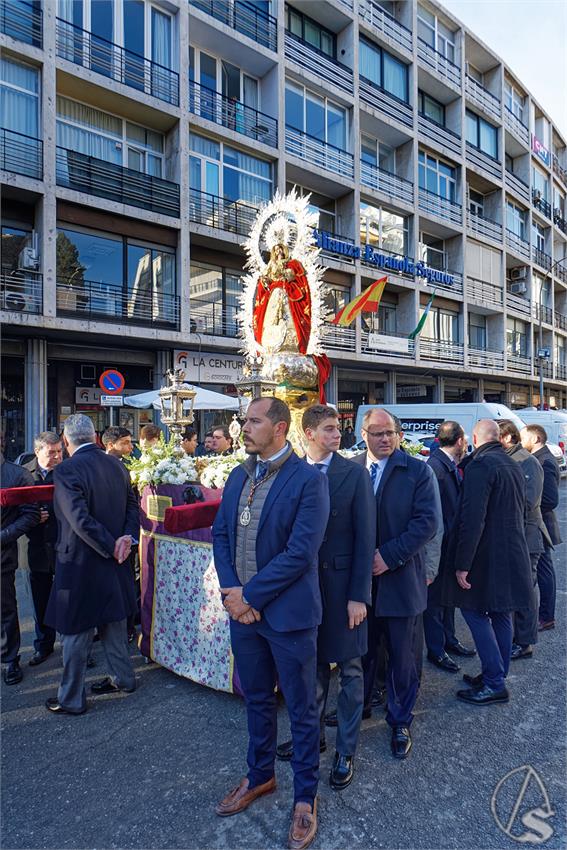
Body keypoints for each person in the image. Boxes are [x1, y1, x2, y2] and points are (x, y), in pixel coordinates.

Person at [212, 397, 329, 850]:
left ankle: (305, 797)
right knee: (257, 699)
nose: (244, 427)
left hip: (288, 617)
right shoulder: (239, 475)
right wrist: (233, 592)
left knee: (300, 709)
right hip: (243, 614)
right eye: (245, 420)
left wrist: (251, 596)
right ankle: (260, 775)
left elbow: (300, 553)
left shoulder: (308, 480)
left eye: (254, 421)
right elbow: (222, 534)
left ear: (279, 428)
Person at [276, 405, 374, 791]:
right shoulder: (291, 472)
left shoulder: (354, 473)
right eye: (331, 429)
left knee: (350, 671)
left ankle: (345, 750)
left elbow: (366, 539)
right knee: (311, 670)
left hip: (343, 590)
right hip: (304, 590)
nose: (338, 434)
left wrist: (359, 596)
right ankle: (311, 738)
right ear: (309, 433)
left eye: (338, 428)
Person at [353, 408, 439, 759]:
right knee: (362, 651)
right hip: (360, 585)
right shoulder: (352, 469)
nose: (385, 438)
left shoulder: (418, 471)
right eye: (377, 433)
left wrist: (388, 556)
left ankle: (400, 719)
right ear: (363, 435)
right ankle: (359, 706)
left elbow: (427, 523)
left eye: (391, 432)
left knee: (403, 657)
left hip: (401, 580)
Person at [44, 414, 140, 715]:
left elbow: (79, 518)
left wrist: (113, 544)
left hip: (81, 560)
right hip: (116, 558)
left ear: (65, 440)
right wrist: (125, 540)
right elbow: (132, 506)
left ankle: (71, 698)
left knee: (76, 629)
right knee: (114, 621)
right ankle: (124, 679)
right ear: (95, 437)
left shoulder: (66, 469)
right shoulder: (117, 464)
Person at [443, 420, 533, 705]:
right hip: (511, 551)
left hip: (486, 555)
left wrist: (462, 563)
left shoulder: (481, 466)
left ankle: (494, 681)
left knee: (473, 611)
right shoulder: (511, 464)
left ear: (474, 438)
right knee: (501, 613)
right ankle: (496, 674)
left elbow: (473, 518)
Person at [424, 421, 476, 674]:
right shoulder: (436, 467)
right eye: (465, 441)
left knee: (447, 599)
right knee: (435, 601)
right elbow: (433, 513)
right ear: (459, 441)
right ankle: (436, 649)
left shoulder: (446, 464)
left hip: (448, 543)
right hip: (440, 545)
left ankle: (449, 640)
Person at [497, 420, 549, 660]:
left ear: (508, 438)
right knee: (515, 590)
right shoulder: (507, 459)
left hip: (527, 537)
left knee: (526, 590)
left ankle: (525, 642)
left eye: (496, 437)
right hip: (513, 537)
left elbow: (529, 501)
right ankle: (515, 638)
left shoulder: (527, 461)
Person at [23, 432, 63, 666]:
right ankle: (44, 645)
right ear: (37, 451)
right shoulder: (23, 474)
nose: (57, 456)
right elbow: (12, 510)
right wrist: (32, 518)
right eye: (51, 452)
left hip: (64, 545)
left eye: (59, 451)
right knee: (41, 599)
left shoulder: (68, 471)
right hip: (37, 546)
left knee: (68, 598)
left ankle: (75, 647)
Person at [1, 443, 40, 685]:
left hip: (2, 554)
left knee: (4, 609)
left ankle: (9, 659)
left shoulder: (17, 475)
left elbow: (31, 514)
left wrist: (2, 536)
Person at [520, 424, 561, 631]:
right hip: (539, 524)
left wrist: (532, 509)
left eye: (523, 437)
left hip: (540, 524)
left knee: (544, 571)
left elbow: (551, 500)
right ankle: (544, 616)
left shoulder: (544, 461)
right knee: (544, 570)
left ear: (536, 438)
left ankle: (545, 617)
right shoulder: (538, 458)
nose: (521, 442)